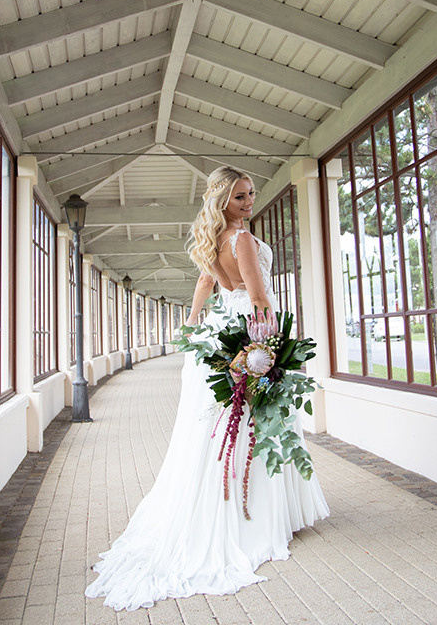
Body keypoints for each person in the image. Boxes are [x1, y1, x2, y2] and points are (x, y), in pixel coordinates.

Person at [85, 166, 328, 611]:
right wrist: (271, 346)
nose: (248, 202)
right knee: (259, 420)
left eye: (251, 194)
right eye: (239, 197)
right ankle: (249, 518)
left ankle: (225, 505)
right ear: (221, 200)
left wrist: (193, 326)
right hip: (247, 331)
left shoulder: (211, 241)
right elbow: (257, 294)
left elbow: (204, 282)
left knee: (215, 426)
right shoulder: (241, 241)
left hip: (218, 332)